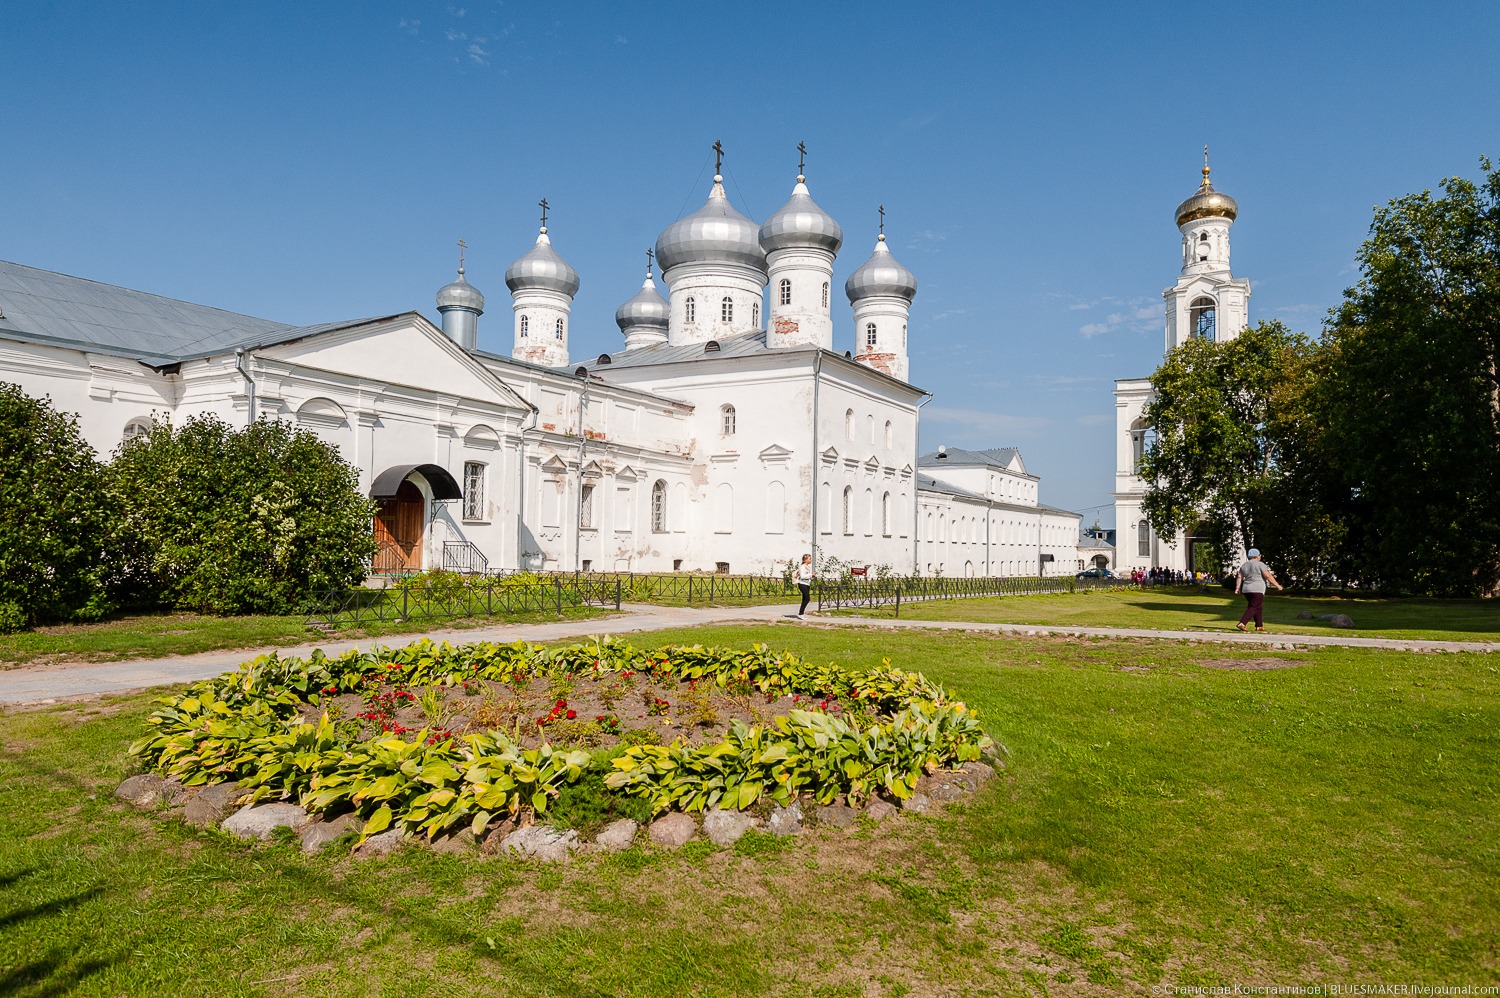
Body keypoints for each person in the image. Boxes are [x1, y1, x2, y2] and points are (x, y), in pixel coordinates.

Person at [1234, 548, 1283, 632]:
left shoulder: (1244, 565)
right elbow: (1268, 576)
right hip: (1257, 589)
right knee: (1254, 607)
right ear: (1257, 556)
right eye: (1260, 555)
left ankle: (1259, 625)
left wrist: (1237, 588)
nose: (1260, 556)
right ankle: (1242, 623)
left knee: (1258, 607)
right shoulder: (1260, 564)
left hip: (1246, 589)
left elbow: (1239, 577)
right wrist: (1277, 585)